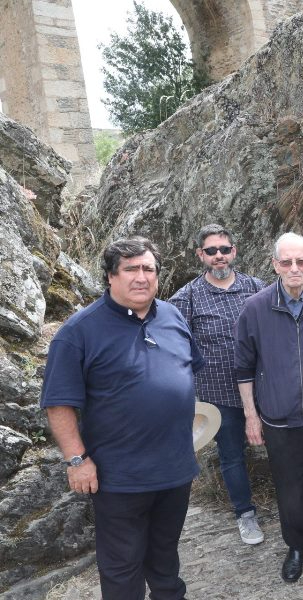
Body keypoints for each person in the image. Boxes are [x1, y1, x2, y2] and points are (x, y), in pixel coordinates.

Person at [40, 237, 204, 600]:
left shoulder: (173, 316)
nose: (141, 277)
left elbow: (185, 374)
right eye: (131, 269)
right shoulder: (78, 332)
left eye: (148, 269)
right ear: (111, 276)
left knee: (165, 556)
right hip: (119, 477)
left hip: (175, 468)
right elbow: (58, 404)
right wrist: (77, 460)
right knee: (122, 566)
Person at [234, 232, 303, 583]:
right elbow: (243, 368)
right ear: (275, 265)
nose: (294, 268)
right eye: (286, 262)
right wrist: (251, 416)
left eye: (301, 261)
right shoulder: (255, 308)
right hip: (279, 420)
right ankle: (297, 546)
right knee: (289, 489)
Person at [169, 224, 266, 545]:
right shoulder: (187, 298)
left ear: (233, 251)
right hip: (218, 394)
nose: (219, 256)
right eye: (211, 251)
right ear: (201, 255)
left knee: (284, 447)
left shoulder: (257, 288)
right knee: (232, 455)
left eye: (224, 249)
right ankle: (245, 514)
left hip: (264, 388)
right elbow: (176, 347)